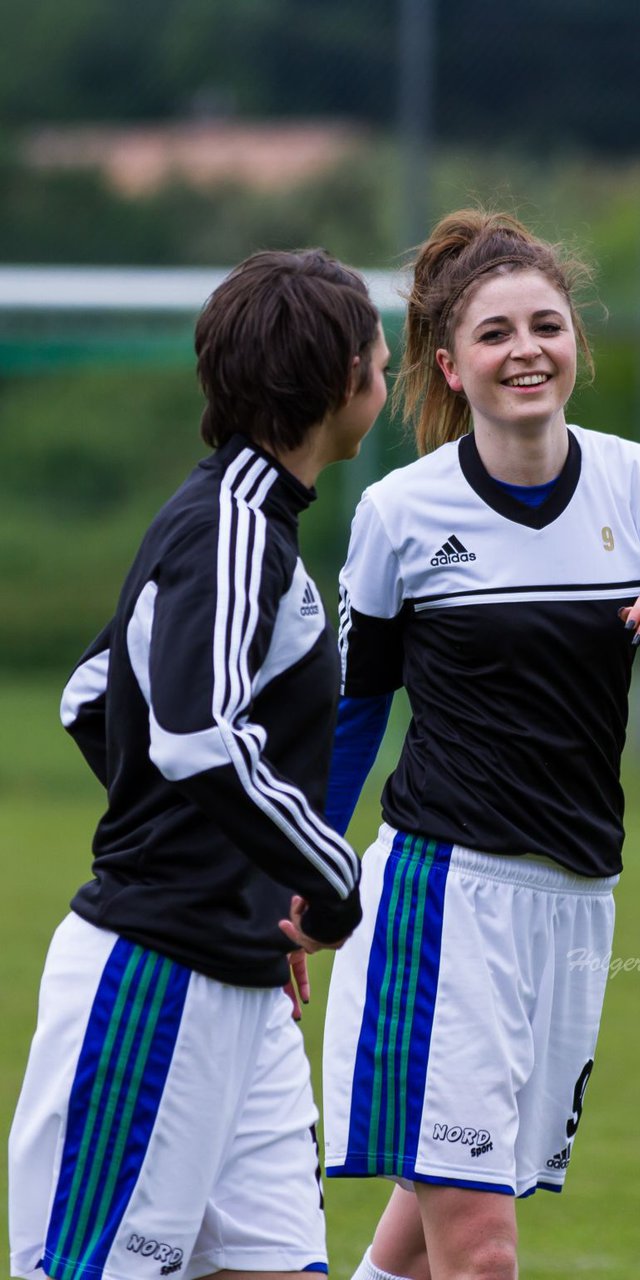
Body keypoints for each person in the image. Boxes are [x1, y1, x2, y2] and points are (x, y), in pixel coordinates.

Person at [319, 210, 640, 1280]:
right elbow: (354, 711)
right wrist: (299, 875)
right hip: (439, 900)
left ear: (576, 346)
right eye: (494, 334)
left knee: (421, 1231)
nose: (525, 348)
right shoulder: (402, 512)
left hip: (578, 902)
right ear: (450, 364)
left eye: (545, 324)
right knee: (481, 1250)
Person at [8, 248, 391, 1280]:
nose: (386, 375)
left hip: (242, 986)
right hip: (153, 977)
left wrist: (250, 878)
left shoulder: (246, 519)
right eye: (379, 356)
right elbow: (194, 734)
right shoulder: (230, 525)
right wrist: (327, 872)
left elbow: (90, 695)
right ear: (341, 380)